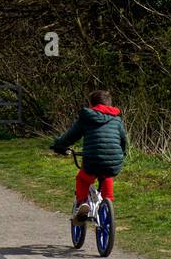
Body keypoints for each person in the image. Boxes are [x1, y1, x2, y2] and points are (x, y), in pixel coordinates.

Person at [52, 89, 128, 221]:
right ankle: (108, 204)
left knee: (82, 178)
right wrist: (122, 154)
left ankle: (82, 204)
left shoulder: (87, 118)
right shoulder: (117, 120)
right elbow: (123, 140)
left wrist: (59, 146)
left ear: (92, 105)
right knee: (107, 174)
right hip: (114, 160)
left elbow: (70, 136)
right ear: (109, 105)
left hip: (92, 161)